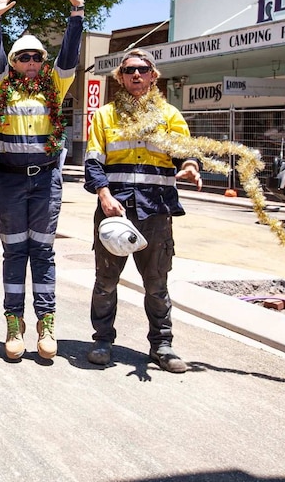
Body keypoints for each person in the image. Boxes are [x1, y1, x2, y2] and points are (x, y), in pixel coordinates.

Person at [84, 48, 202, 374]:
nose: (136, 75)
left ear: (153, 75)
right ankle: (102, 341)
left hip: (156, 212)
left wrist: (190, 166)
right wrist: (104, 195)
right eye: (129, 70)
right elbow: (93, 162)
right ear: (120, 77)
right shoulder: (106, 115)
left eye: (143, 69)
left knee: (156, 285)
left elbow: (185, 154)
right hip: (114, 212)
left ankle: (162, 346)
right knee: (105, 282)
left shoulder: (170, 116)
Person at [0, 0, 84, 360]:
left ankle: (46, 323)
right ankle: (14, 323)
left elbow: (70, 56)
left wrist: (76, 14)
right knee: (14, 253)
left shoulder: (55, 86)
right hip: (9, 182)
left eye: (35, 58)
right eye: (22, 58)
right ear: (13, 63)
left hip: (45, 182)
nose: (30, 63)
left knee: (42, 253)